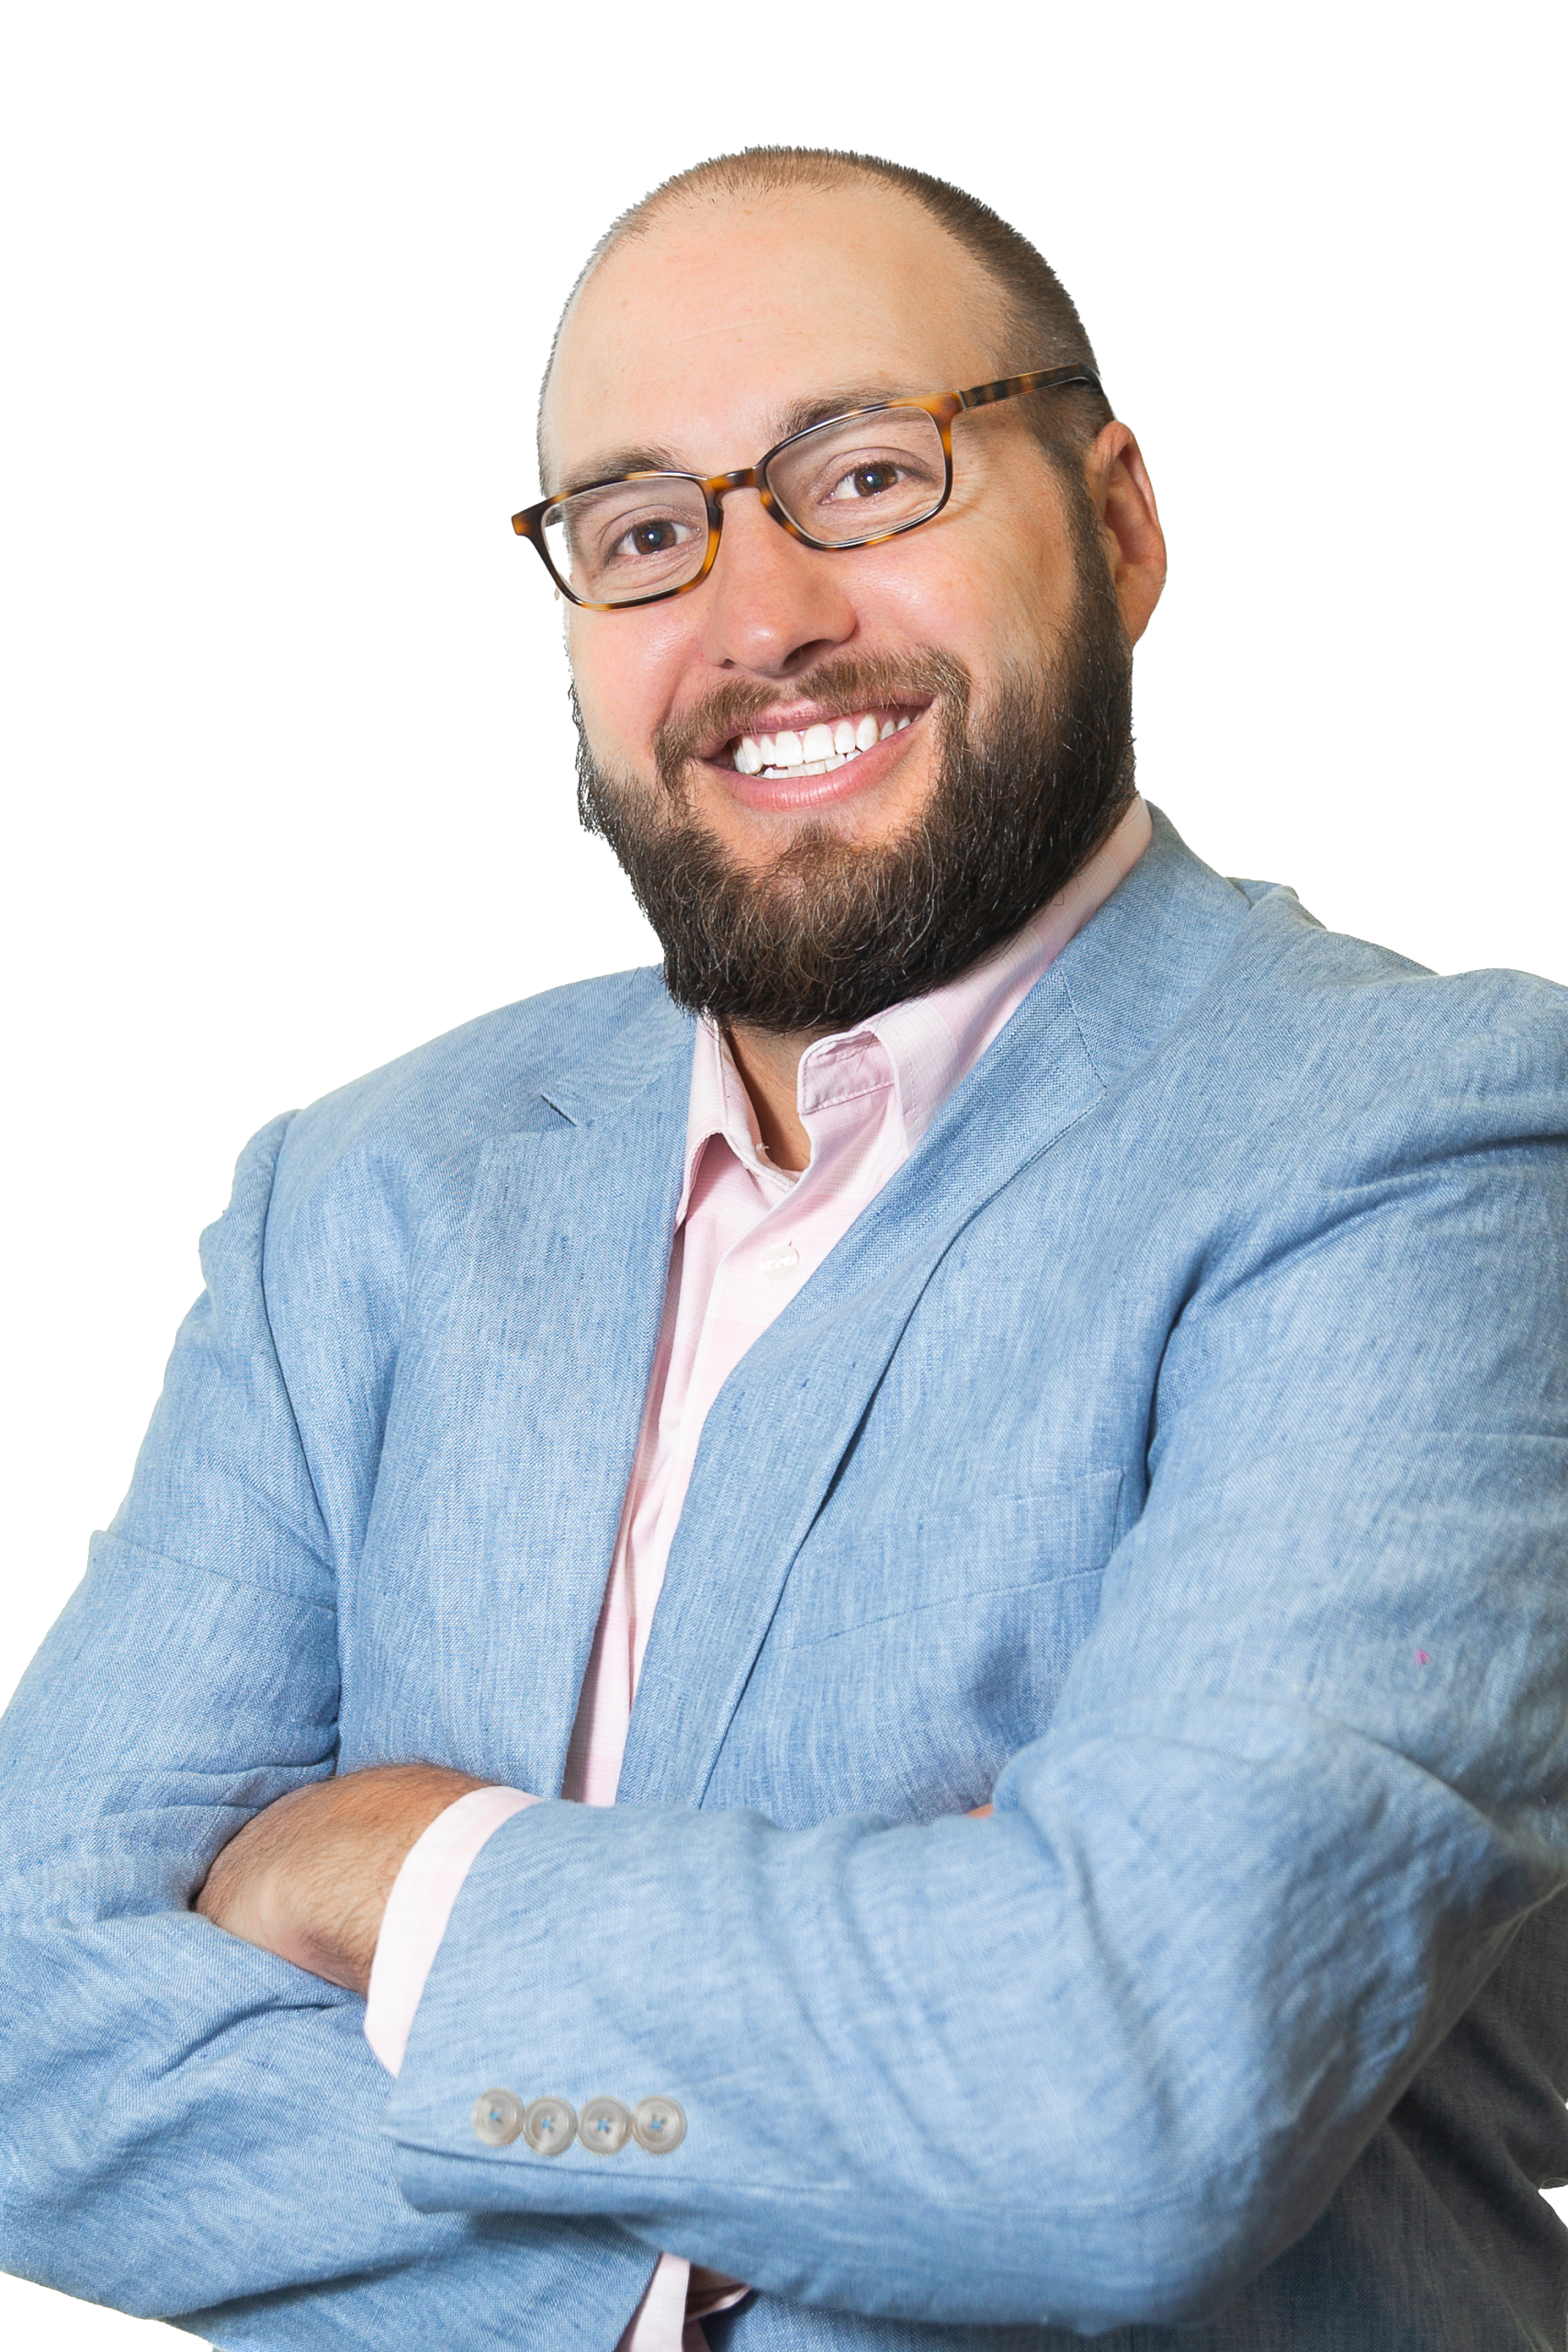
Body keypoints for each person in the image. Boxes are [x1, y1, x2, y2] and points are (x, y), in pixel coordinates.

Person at [2, 147, 1564, 2352]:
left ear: (1115, 522)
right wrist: (805, 2178)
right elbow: (26, 2038)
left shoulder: (1434, 1146)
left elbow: (1121, 2100)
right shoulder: (355, 1193)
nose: (757, 618)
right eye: (646, 530)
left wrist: (407, 1877)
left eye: (862, 473)